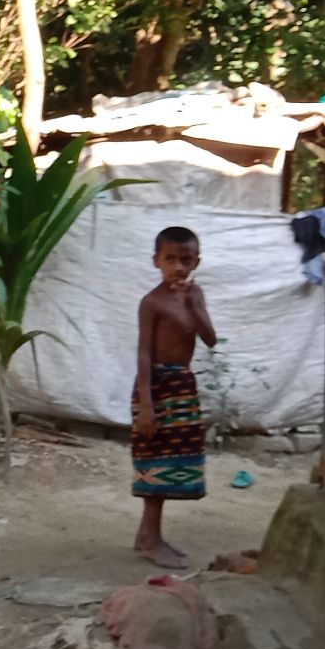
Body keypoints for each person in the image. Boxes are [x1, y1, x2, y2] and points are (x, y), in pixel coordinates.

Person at [131, 226, 217, 569]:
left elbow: (210, 338)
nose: (178, 267)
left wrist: (193, 305)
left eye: (186, 260)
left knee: (171, 462)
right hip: (155, 386)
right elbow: (143, 352)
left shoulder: (195, 296)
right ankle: (150, 540)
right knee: (155, 462)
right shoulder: (151, 302)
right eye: (170, 259)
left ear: (197, 261)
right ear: (157, 261)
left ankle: (147, 536)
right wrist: (146, 405)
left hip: (182, 385)